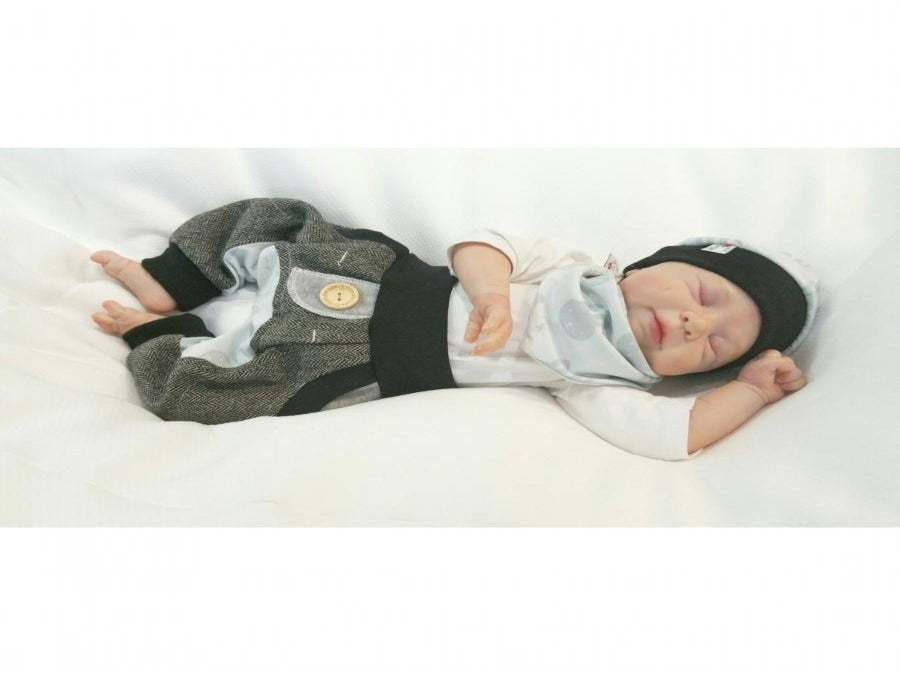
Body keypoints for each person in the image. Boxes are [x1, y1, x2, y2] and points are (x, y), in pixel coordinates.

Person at [90, 198, 818, 461]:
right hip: (382, 278)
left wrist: (752, 390)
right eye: (703, 293)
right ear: (657, 263)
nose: (694, 322)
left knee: (203, 398)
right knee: (276, 219)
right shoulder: (572, 268)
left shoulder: (595, 378)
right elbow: (483, 241)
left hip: (356, 364)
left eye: (715, 345)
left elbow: (669, 434)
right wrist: (492, 289)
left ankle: (164, 332)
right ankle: (175, 278)